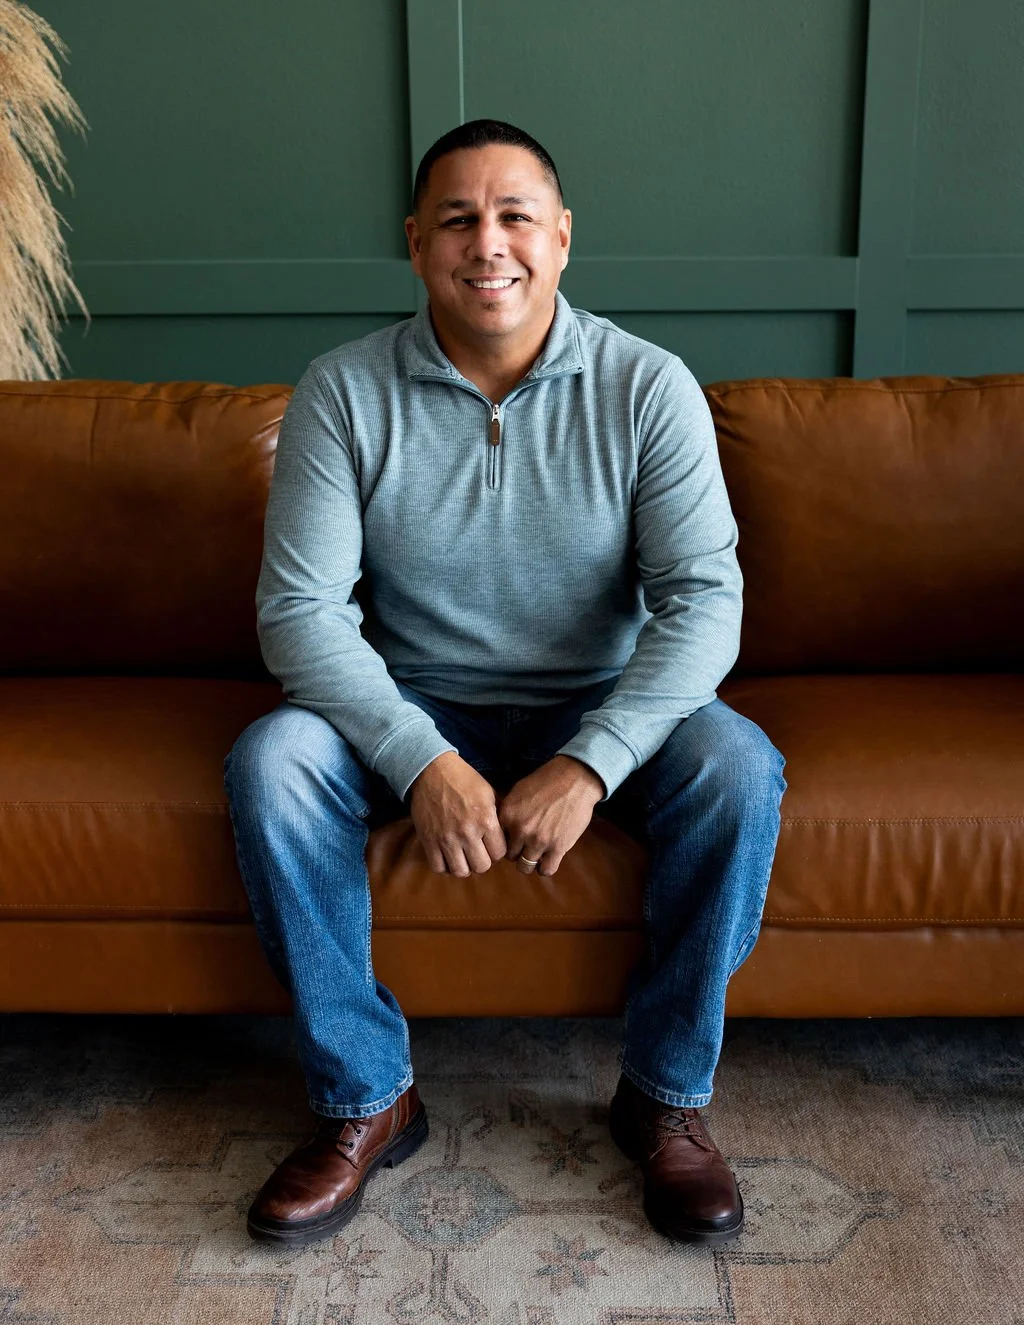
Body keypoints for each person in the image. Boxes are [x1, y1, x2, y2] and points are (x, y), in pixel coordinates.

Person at [223, 118, 786, 1249]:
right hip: (412, 696)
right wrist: (420, 756)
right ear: (416, 242)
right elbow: (300, 614)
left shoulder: (646, 386)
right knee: (271, 760)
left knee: (737, 764)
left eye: (516, 215)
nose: (490, 244)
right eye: (458, 219)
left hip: (600, 697)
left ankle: (666, 1096)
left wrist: (592, 760)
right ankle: (365, 1096)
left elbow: (702, 601)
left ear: (563, 237)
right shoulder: (341, 391)